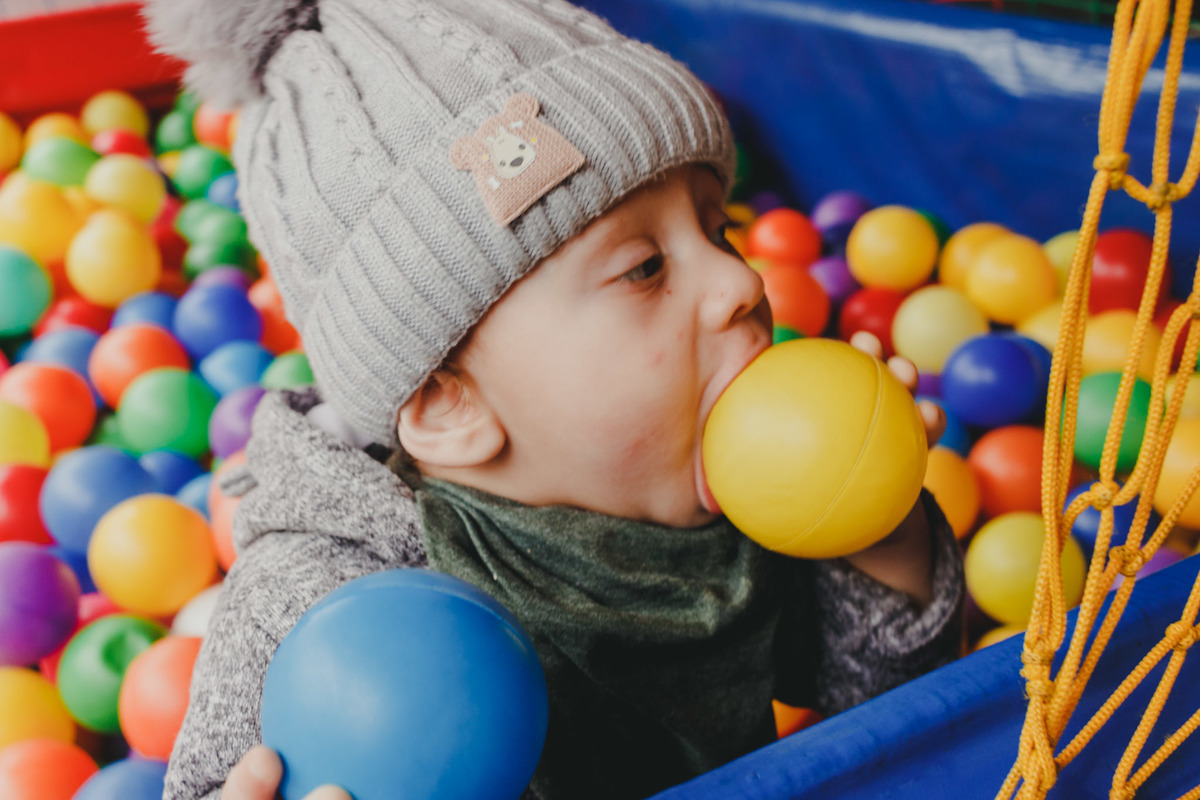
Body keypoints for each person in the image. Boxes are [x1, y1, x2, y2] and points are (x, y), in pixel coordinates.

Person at [144, 0, 966, 798]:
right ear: (450, 406)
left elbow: (889, 718)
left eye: (721, 230)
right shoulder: (319, 606)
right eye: (644, 268)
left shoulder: (724, 487)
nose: (740, 282)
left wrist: (879, 532)